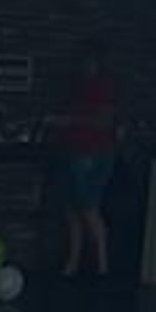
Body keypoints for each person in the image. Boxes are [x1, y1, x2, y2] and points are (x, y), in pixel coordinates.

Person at [57, 43, 121, 279]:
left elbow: (104, 123)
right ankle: (72, 263)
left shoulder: (103, 88)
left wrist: (71, 121)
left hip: (94, 153)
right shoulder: (77, 88)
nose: (83, 65)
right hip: (73, 151)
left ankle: (103, 265)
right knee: (72, 209)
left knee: (88, 206)